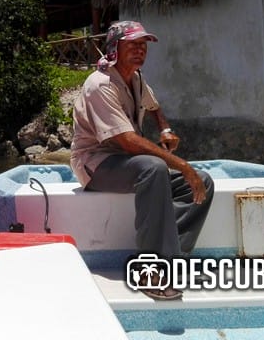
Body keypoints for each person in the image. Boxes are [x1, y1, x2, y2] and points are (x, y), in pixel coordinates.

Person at [70, 20, 214, 300]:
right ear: (115, 48)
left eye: (143, 45)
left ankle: (172, 258)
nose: (140, 50)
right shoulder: (100, 84)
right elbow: (127, 140)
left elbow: (153, 106)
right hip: (95, 164)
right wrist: (183, 165)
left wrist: (165, 128)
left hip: (126, 161)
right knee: (154, 167)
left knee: (202, 182)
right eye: (133, 44)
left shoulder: (135, 78)